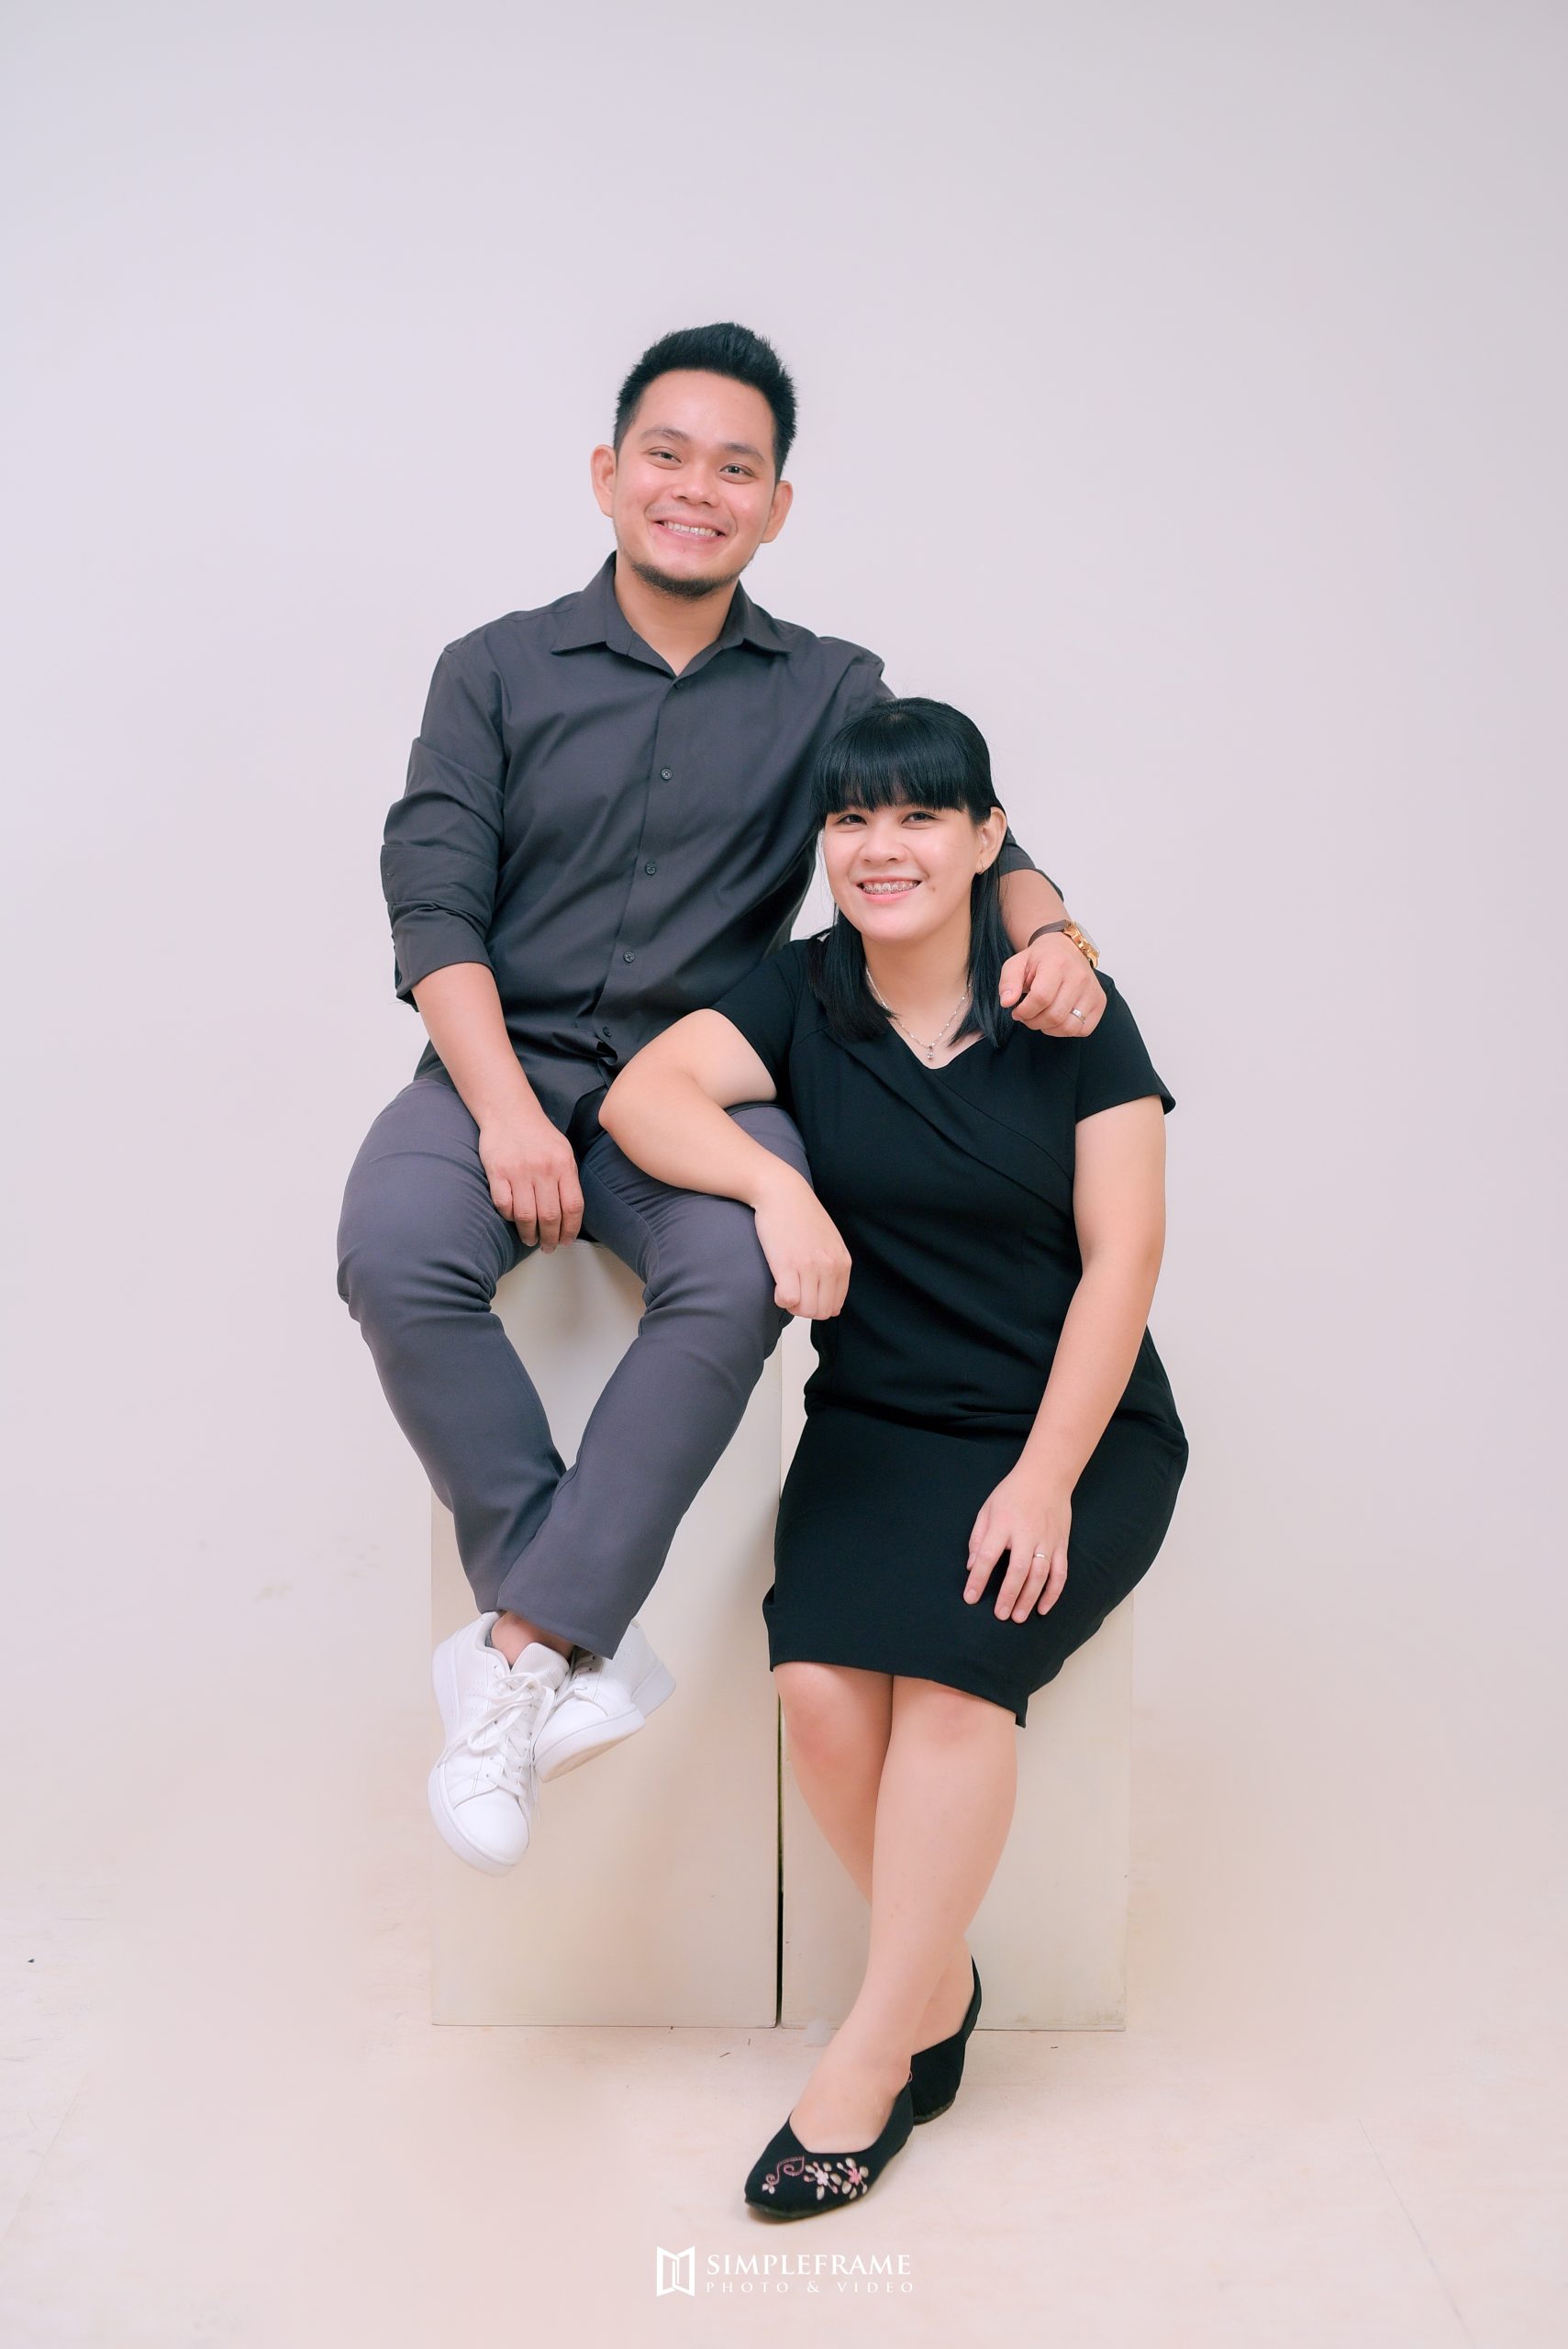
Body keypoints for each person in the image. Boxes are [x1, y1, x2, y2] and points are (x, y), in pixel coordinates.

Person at [335, 322, 1111, 1877]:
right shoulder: (492, 668)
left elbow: (975, 831)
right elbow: (433, 904)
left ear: (776, 506)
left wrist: (1053, 938)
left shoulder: (828, 687)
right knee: (391, 1251)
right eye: (668, 455)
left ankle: (520, 1650)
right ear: (608, 474)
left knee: (742, 1264)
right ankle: (565, 1628)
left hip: (699, 1078)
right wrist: (505, 1113)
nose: (697, 489)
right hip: (494, 1063)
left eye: (735, 468)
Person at [598, 696, 1187, 2217]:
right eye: (852, 818)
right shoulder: (800, 995)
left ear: (988, 841)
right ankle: (943, 1986)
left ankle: (873, 2051)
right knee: (814, 1696)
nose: (882, 847)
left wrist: (1043, 1481)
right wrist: (775, 1190)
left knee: (947, 1695)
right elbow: (642, 1096)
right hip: (879, 1420)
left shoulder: (1070, 1010)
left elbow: (1124, 1261)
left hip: (1071, 1426)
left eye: (920, 815)